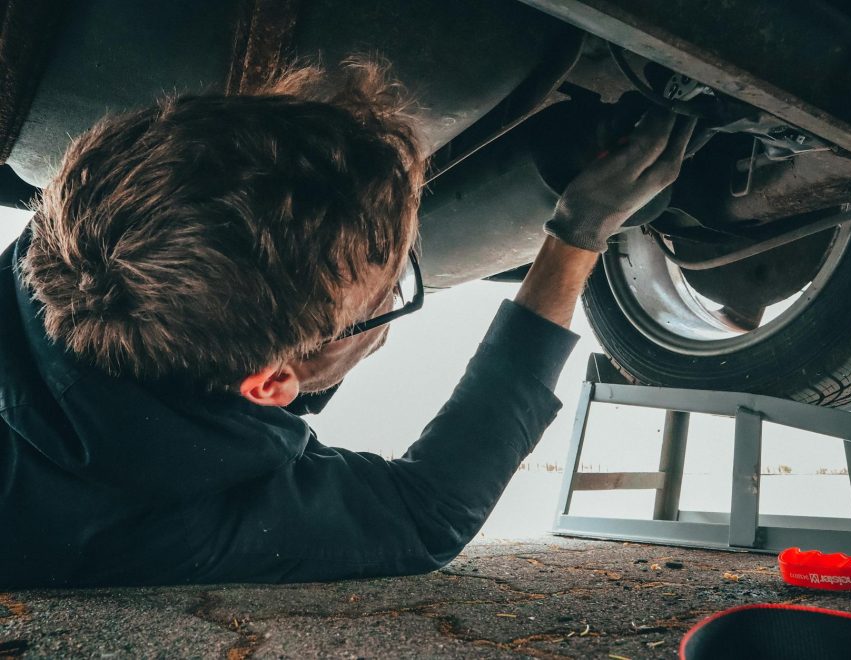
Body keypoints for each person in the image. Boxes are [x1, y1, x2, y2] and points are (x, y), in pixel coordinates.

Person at [0, 61, 695, 587]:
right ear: (271, 382)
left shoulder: (86, 228)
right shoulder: (164, 522)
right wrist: (576, 235)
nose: (393, 297)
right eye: (389, 293)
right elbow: (429, 513)